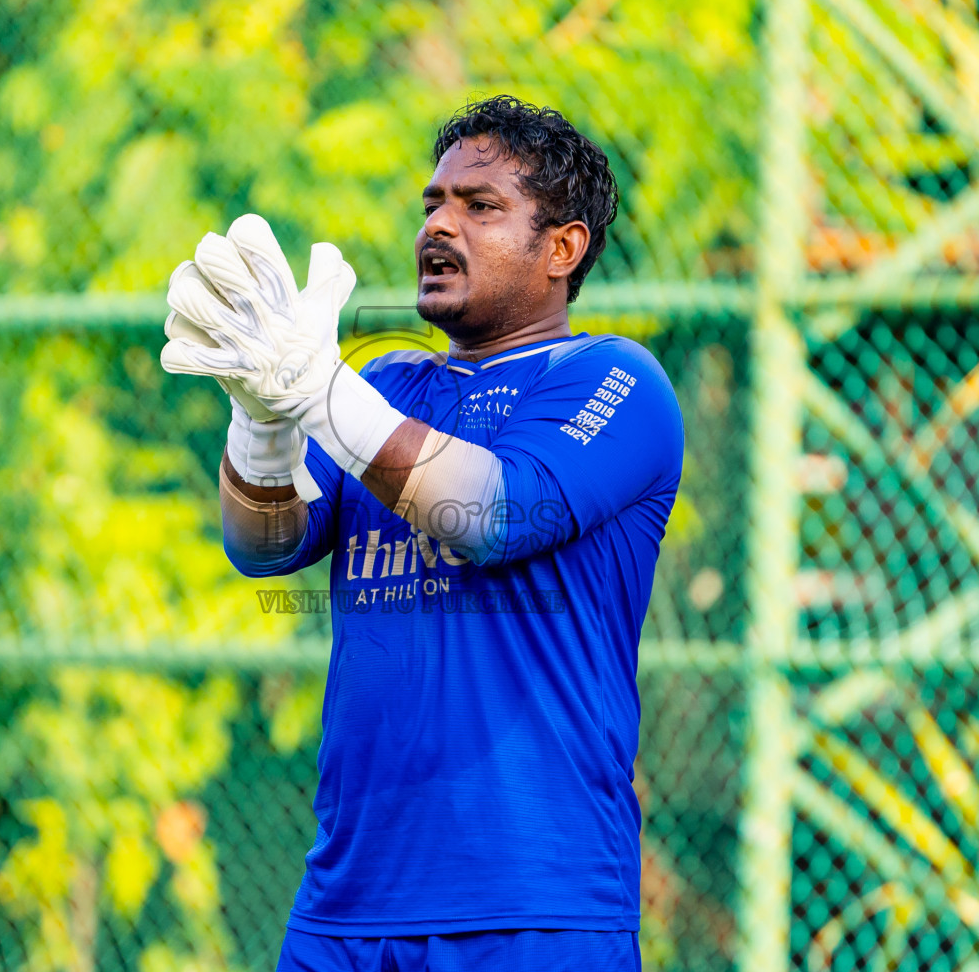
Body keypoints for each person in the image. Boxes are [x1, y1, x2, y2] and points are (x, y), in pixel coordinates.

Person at [162, 95, 684, 972]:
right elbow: (263, 545)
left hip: (533, 909)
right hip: (345, 906)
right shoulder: (384, 388)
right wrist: (261, 420)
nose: (439, 225)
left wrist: (317, 390)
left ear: (563, 248)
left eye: (480, 206)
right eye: (433, 203)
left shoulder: (615, 379)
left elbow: (490, 514)